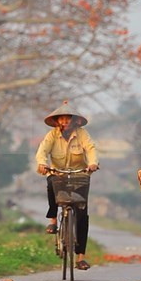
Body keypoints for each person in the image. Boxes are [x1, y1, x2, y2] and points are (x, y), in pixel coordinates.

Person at [35, 100, 99, 271]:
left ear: (75, 121)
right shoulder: (52, 136)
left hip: (79, 175)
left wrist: (92, 163)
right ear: (57, 121)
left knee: (82, 214)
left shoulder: (82, 134)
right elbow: (42, 151)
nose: (64, 122)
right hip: (58, 174)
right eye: (61, 119)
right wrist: (42, 164)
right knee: (50, 183)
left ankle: (80, 257)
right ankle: (53, 220)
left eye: (67, 119)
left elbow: (91, 148)